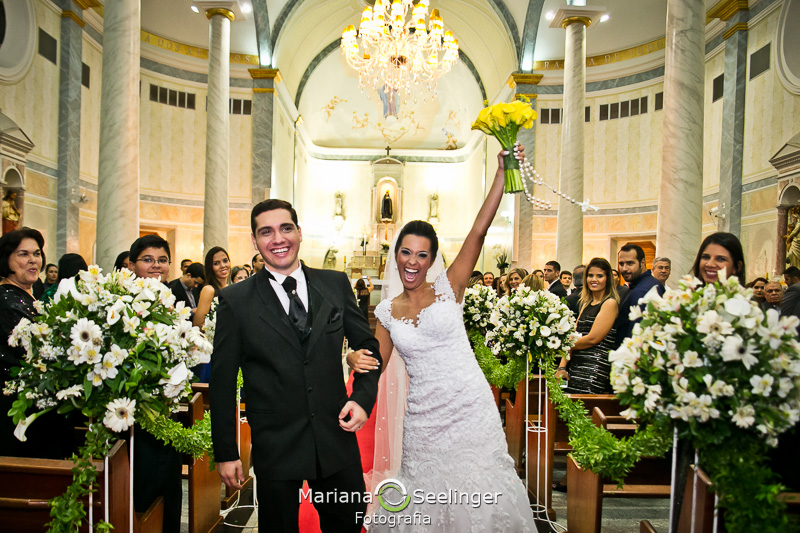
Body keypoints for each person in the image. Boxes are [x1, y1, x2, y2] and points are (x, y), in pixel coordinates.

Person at [348, 145, 537, 530]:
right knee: (426, 491)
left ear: (433, 259)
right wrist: (355, 359)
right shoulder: (386, 312)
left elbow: (478, 231)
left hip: (470, 407)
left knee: (480, 488)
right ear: (396, 256)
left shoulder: (450, 288)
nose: (412, 262)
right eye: (406, 253)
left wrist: (502, 174)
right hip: (423, 416)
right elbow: (377, 364)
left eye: (421, 255)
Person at [210, 199, 380, 532]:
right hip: (276, 443)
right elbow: (222, 382)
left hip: (335, 435)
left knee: (349, 521)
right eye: (266, 232)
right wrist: (226, 452)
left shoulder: (334, 284)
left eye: (286, 228)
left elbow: (368, 345)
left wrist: (361, 399)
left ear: (299, 233)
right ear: (255, 241)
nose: (278, 239)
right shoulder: (235, 301)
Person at [0, 228, 73, 459]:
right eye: (23, 254)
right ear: (6, 259)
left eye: (37, 253)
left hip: (40, 403)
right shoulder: (6, 300)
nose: (33, 260)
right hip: (18, 407)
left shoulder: (28, 295)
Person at [127, 234, 182, 533]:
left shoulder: (171, 299)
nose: (156, 266)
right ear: (133, 264)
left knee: (168, 478)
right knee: (145, 479)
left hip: (166, 403)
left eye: (162, 260)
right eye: (148, 260)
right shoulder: (123, 300)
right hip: (135, 406)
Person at [556, 258, 619, 394]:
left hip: (594, 368)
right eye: (590, 275)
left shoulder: (610, 303)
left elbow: (592, 339)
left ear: (608, 279)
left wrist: (561, 343)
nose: (594, 279)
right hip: (576, 365)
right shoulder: (586, 303)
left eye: (599, 276)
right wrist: (562, 366)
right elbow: (573, 335)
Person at [615, 244, 664, 347]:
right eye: (621, 264)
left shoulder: (642, 290)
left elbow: (638, 334)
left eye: (630, 263)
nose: (624, 268)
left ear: (642, 263)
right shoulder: (642, 284)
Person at [193, 246, 230, 328]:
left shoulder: (230, 288)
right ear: (210, 267)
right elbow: (198, 325)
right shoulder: (209, 290)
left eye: (225, 261)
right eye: (216, 263)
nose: (223, 265)